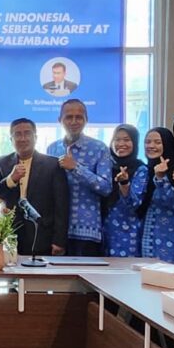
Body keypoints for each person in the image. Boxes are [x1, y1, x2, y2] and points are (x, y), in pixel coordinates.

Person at [0, 118, 68, 256]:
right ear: (11, 139)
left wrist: (59, 240)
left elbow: (61, 205)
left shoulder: (52, 164)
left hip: (42, 234)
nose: (23, 138)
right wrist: (10, 180)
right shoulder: (2, 162)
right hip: (10, 234)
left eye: (27, 133)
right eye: (17, 134)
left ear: (35, 137)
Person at [46, 99, 112, 256]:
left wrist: (76, 168)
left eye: (79, 117)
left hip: (87, 231)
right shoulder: (52, 149)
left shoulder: (99, 148)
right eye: (69, 117)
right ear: (60, 120)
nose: (74, 121)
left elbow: (106, 187)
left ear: (86, 120)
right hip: (57, 231)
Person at [138, 128, 174, 263]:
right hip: (148, 238)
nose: (151, 146)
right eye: (147, 142)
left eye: (157, 142)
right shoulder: (144, 170)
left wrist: (161, 178)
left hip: (172, 239)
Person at [103, 124, 146, 257]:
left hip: (128, 232)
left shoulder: (140, 169)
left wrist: (124, 183)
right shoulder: (105, 166)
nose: (121, 144)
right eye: (117, 139)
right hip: (104, 231)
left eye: (126, 140)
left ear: (135, 143)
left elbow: (134, 203)